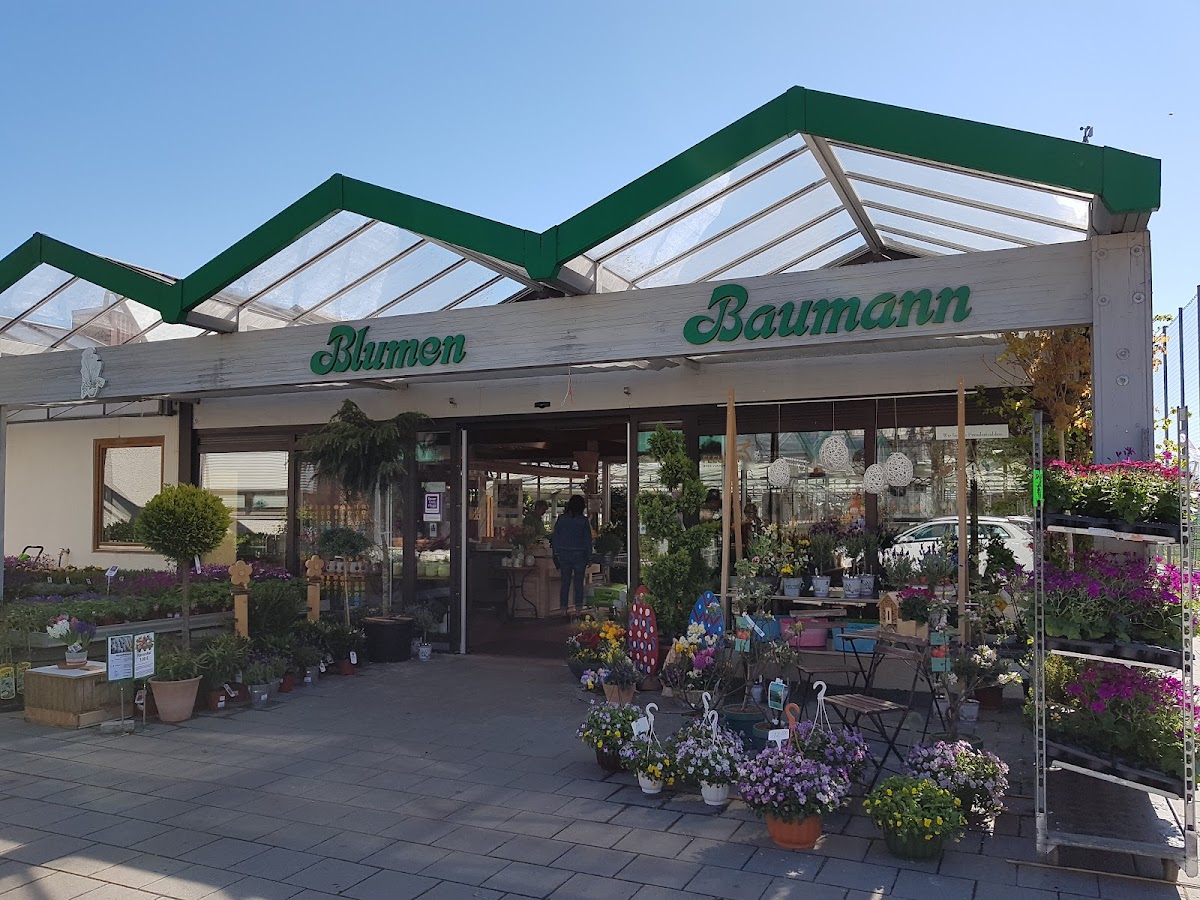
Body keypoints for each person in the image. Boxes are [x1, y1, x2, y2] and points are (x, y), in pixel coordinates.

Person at [552, 495, 593, 611]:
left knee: (565, 582)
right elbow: (587, 540)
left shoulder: (561, 519)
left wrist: (556, 553)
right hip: (580, 555)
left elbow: (555, 537)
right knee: (578, 583)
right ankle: (578, 608)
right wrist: (590, 556)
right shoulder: (583, 521)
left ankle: (563, 608)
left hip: (564, 554)